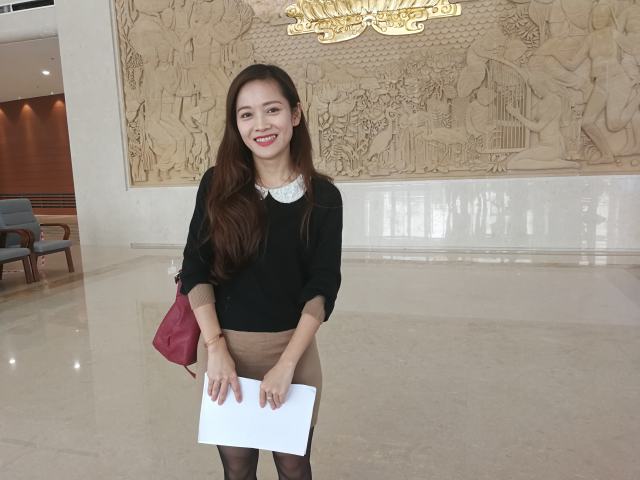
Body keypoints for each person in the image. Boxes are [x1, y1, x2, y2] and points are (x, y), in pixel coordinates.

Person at [180, 63, 343, 480]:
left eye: (272, 109)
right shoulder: (216, 185)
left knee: (293, 466)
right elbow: (195, 269)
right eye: (246, 114)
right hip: (225, 350)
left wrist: (287, 364)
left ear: (295, 114)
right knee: (237, 470)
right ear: (236, 125)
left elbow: (323, 285)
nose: (261, 125)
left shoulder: (324, 196)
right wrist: (216, 349)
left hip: (293, 352)